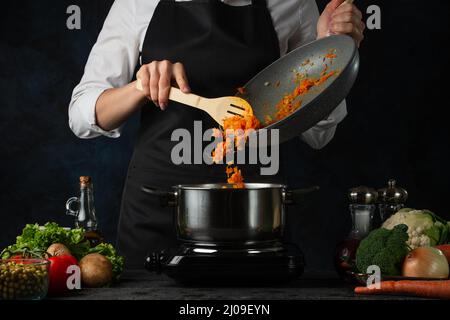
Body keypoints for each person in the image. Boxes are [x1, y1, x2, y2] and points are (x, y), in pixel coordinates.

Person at [69, 0, 365, 269]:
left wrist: (333, 53)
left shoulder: (292, 4)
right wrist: (139, 88)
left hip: (256, 222)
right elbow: (81, 115)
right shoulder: (138, 3)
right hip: (157, 213)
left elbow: (318, 134)